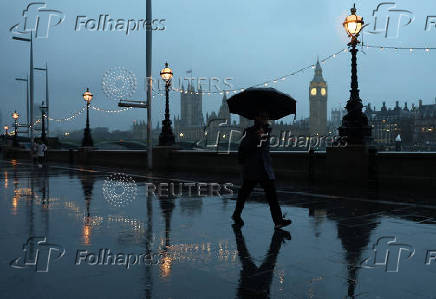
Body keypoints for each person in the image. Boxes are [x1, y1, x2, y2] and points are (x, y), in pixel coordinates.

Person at [232, 114, 292, 229]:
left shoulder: (266, 130)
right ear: (257, 118)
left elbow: (264, 149)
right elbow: (244, 148)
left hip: (264, 168)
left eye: (266, 116)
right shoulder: (250, 132)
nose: (266, 118)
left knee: (271, 195)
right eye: (263, 116)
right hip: (253, 168)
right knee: (244, 193)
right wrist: (257, 139)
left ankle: (278, 221)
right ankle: (236, 214)